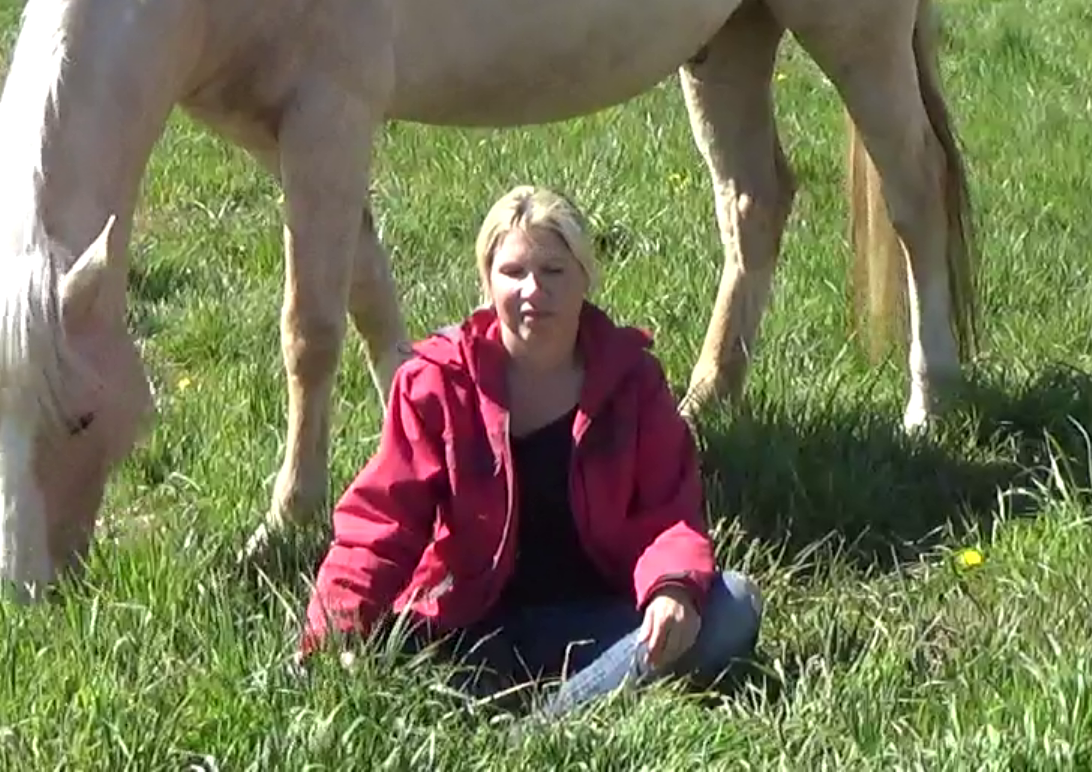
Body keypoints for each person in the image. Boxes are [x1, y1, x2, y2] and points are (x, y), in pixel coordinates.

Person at [298, 185, 763, 718]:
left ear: (585, 279)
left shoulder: (632, 382)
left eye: (553, 272)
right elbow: (382, 523)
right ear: (486, 280)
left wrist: (672, 590)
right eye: (513, 272)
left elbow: (668, 514)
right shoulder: (436, 383)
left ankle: (546, 729)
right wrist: (332, 633)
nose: (532, 291)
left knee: (732, 604)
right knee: (390, 657)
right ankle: (583, 711)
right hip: (464, 627)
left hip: (591, 620)